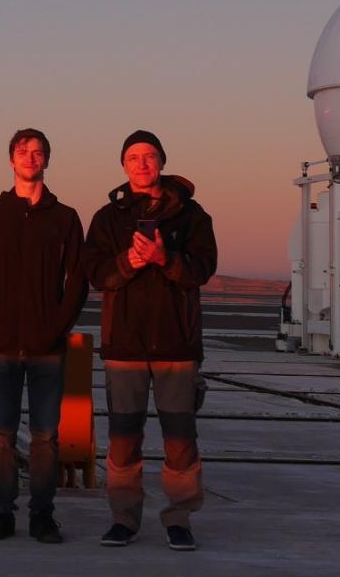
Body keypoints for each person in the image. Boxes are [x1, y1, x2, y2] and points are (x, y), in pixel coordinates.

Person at [84, 129, 217, 552]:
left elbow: (202, 270)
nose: (141, 164)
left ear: (161, 161)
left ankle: (179, 519)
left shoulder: (192, 216)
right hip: (124, 347)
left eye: (149, 157)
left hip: (176, 345)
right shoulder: (108, 219)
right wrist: (130, 261)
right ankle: (124, 519)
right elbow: (97, 275)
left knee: (180, 440)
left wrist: (165, 259)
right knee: (124, 439)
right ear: (123, 165)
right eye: (133, 158)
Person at [0, 128, 88, 545]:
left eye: (38, 152)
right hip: (1, 346)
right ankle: (1, 514)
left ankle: (42, 516)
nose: (30, 158)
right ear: (11, 159)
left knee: (46, 436)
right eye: (23, 151)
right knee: (0, 435)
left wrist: (57, 326)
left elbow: (77, 280)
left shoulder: (65, 217)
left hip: (48, 348)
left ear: (47, 160)